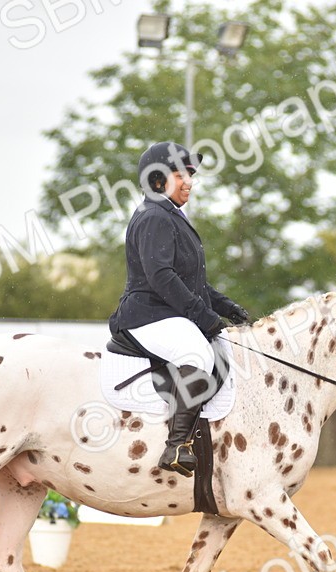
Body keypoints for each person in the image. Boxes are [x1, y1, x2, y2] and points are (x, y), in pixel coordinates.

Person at [108, 141, 251, 477]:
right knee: (197, 355)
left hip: (163, 312)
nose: (189, 181)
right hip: (147, 313)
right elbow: (162, 277)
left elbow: (192, 282)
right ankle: (176, 445)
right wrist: (202, 316)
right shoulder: (155, 216)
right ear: (158, 179)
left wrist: (225, 306)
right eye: (181, 174)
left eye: (191, 175)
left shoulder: (168, 215)